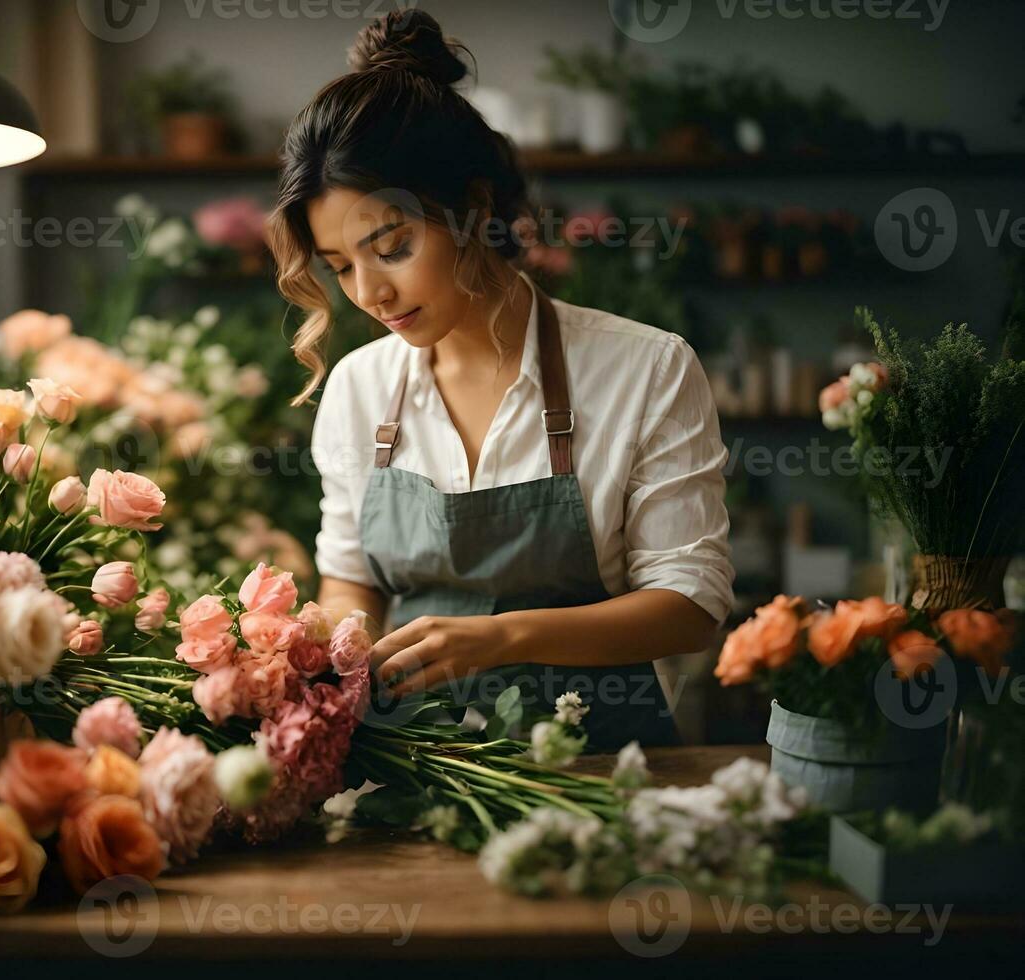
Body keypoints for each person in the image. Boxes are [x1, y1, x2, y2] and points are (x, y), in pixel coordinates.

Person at [265, 10, 734, 748]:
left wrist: (503, 638)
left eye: (390, 247)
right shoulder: (359, 388)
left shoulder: (643, 368)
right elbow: (351, 579)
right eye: (340, 266)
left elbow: (689, 605)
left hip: (602, 770)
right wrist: (308, 657)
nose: (368, 294)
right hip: (415, 765)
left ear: (474, 210)